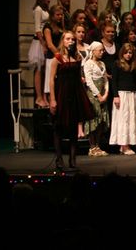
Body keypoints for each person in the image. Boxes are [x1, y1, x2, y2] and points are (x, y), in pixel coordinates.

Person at [49, 31, 94, 170]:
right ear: (63, 41)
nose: (71, 41)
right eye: (68, 39)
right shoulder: (57, 58)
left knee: (74, 127)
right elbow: (51, 80)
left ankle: (73, 159)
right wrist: (52, 99)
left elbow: (78, 76)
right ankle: (59, 159)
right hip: (61, 94)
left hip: (74, 94)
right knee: (59, 127)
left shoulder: (76, 57)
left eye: (73, 39)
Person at [109, 43, 136, 155]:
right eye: (126, 53)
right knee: (123, 119)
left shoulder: (134, 66)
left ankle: (126, 144)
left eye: (130, 53)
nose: (128, 55)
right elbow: (114, 81)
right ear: (122, 53)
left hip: (132, 95)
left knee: (131, 119)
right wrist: (115, 96)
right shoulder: (117, 64)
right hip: (122, 95)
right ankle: (124, 145)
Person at [83, 41, 110, 157]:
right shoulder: (88, 63)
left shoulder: (102, 64)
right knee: (94, 121)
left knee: (101, 121)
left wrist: (106, 93)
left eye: (103, 50)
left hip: (103, 94)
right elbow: (89, 81)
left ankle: (98, 145)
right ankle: (92, 146)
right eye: (100, 50)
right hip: (93, 95)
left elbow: (105, 79)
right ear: (93, 51)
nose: (102, 52)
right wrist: (99, 95)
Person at [27, 0, 50, 108]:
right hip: (39, 42)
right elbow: (37, 29)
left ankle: (44, 96)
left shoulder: (45, 9)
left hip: (44, 40)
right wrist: (43, 44)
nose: (48, 1)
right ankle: (39, 97)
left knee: (45, 71)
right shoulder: (38, 9)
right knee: (39, 70)